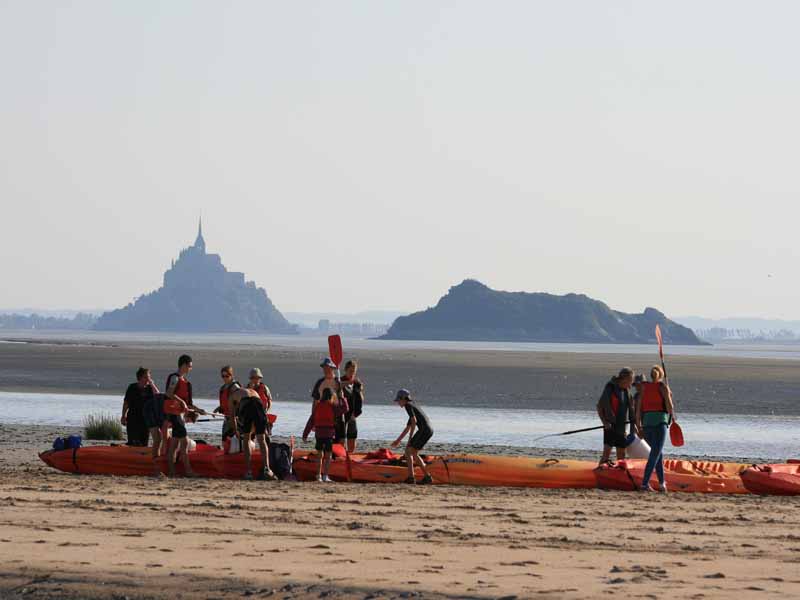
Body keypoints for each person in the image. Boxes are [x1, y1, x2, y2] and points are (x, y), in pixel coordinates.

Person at [635, 365, 676, 493]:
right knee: (655, 454)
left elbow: (638, 409)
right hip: (660, 422)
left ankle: (662, 483)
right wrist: (669, 396)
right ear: (661, 376)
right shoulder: (662, 387)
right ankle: (644, 483)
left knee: (658, 453)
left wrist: (638, 426)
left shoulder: (644, 387)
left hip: (647, 423)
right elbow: (669, 408)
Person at [164, 354, 206, 477]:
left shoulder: (186, 382)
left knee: (175, 444)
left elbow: (189, 404)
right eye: (189, 366)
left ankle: (172, 472)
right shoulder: (175, 378)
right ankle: (188, 471)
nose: (190, 369)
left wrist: (199, 410)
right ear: (183, 365)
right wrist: (181, 401)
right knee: (184, 443)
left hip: (179, 414)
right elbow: (169, 393)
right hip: (173, 414)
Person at [228, 386, 276, 481]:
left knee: (246, 439)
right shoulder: (252, 391)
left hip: (246, 405)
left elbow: (232, 417)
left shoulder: (233, 396)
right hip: (258, 404)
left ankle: (249, 472)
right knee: (262, 440)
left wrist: (236, 431)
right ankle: (267, 469)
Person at [303, 387, 348, 482]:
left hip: (319, 434)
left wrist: (305, 434)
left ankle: (318, 476)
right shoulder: (332, 407)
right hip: (328, 434)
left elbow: (311, 421)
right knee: (328, 456)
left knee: (319, 455)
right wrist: (342, 398)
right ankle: (325, 476)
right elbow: (345, 408)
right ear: (331, 396)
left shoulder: (318, 406)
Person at [391, 389, 434, 485]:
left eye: (398, 400)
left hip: (424, 430)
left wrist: (410, 439)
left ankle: (414, 477)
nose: (398, 402)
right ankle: (424, 477)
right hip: (428, 430)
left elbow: (414, 421)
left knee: (409, 451)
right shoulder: (412, 406)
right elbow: (408, 427)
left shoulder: (408, 405)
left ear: (403, 399)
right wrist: (398, 440)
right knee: (412, 452)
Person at [596, 367, 637, 466]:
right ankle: (599, 470)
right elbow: (599, 406)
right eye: (631, 381)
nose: (631, 384)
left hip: (621, 428)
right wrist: (605, 423)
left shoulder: (627, 391)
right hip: (610, 427)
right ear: (625, 379)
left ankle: (620, 471)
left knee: (621, 456)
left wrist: (634, 428)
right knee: (606, 454)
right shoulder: (610, 388)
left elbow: (632, 412)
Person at [121, 367, 155, 447]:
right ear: (140, 378)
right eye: (146, 377)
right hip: (133, 419)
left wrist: (152, 385)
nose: (148, 379)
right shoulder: (132, 388)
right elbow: (126, 403)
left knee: (144, 443)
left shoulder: (150, 388)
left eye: (149, 377)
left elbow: (158, 397)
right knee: (133, 442)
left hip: (146, 420)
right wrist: (123, 416)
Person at [336, 360, 364, 454]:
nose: (352, 373)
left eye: (354, 371)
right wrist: (348, 382)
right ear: (345, 370)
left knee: (352, 439)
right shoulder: (340, 380)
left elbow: (361, 399)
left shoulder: (356, 383)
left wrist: (360, 391)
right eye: (350, 371)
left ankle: (349, 455)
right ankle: (340, 456)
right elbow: (336, 386)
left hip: (353, 415)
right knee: (341, 440)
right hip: (341, 416)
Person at [214, 366, 240, 442]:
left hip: (235, 419)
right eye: (223, 376)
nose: (225, 378)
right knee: (224, 439)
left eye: (227, 376)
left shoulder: (235, 387)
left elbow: (240, 402)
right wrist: (217, 409)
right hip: (227, 418)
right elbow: (226, 402)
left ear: (231, 375)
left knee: (231, 440)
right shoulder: (223, 387)